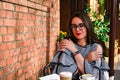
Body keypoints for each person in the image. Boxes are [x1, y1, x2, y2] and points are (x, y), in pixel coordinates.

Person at [52, 12, 109, 80]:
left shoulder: (95, 47)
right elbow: (63, 73)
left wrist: (75, 51)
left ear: (87, 26)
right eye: (74, 26)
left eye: (81, 25)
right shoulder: (67, 43)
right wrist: (86, 60)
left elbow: (92, 76)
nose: (77, 29)